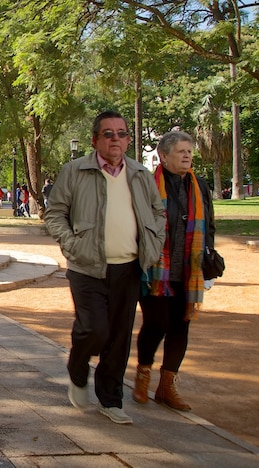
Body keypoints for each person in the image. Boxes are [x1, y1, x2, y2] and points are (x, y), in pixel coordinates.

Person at [44, 110, 166, 425]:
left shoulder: (139, 173)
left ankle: (111, 400)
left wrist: (153, 241)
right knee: (95, 328)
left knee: (119, 336)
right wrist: (72, 244)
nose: (116, 139)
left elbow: (158, 212)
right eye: (108, 133)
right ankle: (78, 368)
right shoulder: (75, 171)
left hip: (128, 267)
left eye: (122, 133)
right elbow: (55, 212)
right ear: (95, 139)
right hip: (86, 266)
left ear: (127, 139)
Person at [132, 130, 216, 412]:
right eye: (181, 151)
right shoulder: (147, 184)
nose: (187, 156)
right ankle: (143, 374)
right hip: (156, 269)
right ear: (163, 156)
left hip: (188, 268)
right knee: (158, 323)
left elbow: (210, 224)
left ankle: (167, 386)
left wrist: (207, 260)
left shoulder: (199, 185)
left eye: (189, 151)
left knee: (182, 324)